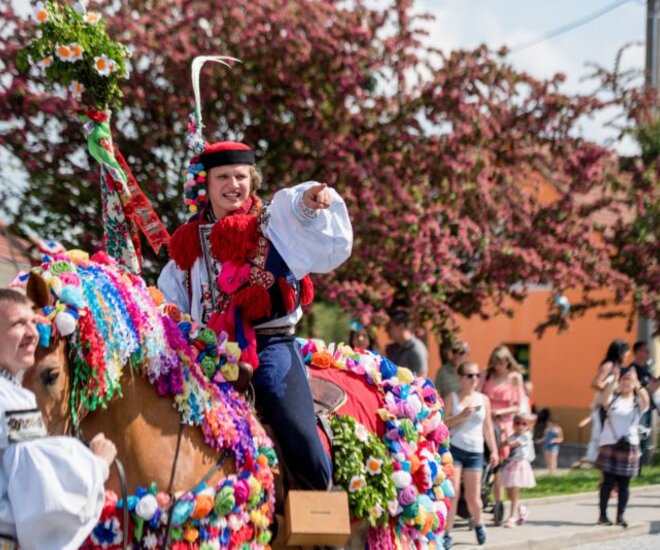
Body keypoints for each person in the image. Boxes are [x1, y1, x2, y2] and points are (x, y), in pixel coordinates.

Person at [158, 141, 353, 491]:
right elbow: (172, 301)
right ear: (207, 184)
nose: (233, 184)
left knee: (297, 430)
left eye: (241, 176)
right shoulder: (187, 241)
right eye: (223, 177)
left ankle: (321, 510)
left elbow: (297, 206)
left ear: (252, 179)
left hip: (268, 346)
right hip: (204, 352)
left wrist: (309, 202)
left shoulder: (272, 224)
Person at [0, 288, 117, 549]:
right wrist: (97, 464)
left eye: (33, 322)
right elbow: (41, 491)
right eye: (19, 324)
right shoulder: (10, 400)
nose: (33, 333)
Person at [442, 362, 498, 549]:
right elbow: (442, 424)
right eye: (470, 375)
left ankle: (479, 523)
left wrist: (494, 450)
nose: (474, 379)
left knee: (474, 495)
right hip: (456, 449)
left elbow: (488, 427)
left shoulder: (483, 399)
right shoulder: (452, 398)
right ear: (460, 378)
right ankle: (447, 533)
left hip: (475, 451)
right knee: (453, 492)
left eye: (476, 375)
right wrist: (460, 416)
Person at [596, 366, 649, 527]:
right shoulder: (613, 398)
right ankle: (603, 516)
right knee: (608, 482)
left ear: (634, 383)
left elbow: (646, 401)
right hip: (610, 443)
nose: (626, 383)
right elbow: (603, 399)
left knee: (624, 483)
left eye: (629, 380)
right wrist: (614, 378)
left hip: (629, 445)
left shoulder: (636, 402)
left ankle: (620, 515)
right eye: (624, 380)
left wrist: (637, 383)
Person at [479, 344, 525, 524]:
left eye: (501, 362)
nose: (498, 366)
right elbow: (478, 394)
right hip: (487, 423)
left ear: (508, 362)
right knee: (491, 465)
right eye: (495, 362)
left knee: (507, 467)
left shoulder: (515, 378)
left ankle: (511, 509)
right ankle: (496, 503)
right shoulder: (486, 375)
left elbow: (518, 405)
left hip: (506, 424)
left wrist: (499, 412)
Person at [586, 340, 630, 464]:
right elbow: (595, 383)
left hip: (613, 406)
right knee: (602, 436)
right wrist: (611, 390)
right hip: (603, 407)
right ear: (620, 352)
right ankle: (599, 461)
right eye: (626, 352)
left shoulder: (618, 366)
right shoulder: (609, 365)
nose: (627, 355)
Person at [501, 413, 536, 528]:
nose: (520, 426)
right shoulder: (513, 435)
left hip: (520, 466)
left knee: (514, 493)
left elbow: (510, 445)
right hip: (511, 465)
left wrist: (504, 431)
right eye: (517, 423)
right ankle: (522, 510)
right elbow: (504, 444)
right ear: (513, 424)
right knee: (511, 494)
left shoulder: (526, 436)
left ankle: (512, 518)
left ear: (527, 426)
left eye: (524, 423)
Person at [627, 341, 654, 473]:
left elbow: (651, 388)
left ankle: (638, 469)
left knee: (644, 438)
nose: (648, 354)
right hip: (636, 408)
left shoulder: (646, 369)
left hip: (647, 408)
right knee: (636, 438)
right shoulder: (632, 369)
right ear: (637, 352)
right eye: (645, 351)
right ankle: (634, 468)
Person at [384, 309, 429, 377]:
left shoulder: (416, 348)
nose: (387, 331)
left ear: (401, 327)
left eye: (390, 327)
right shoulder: (395, 348)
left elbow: (420, 377)